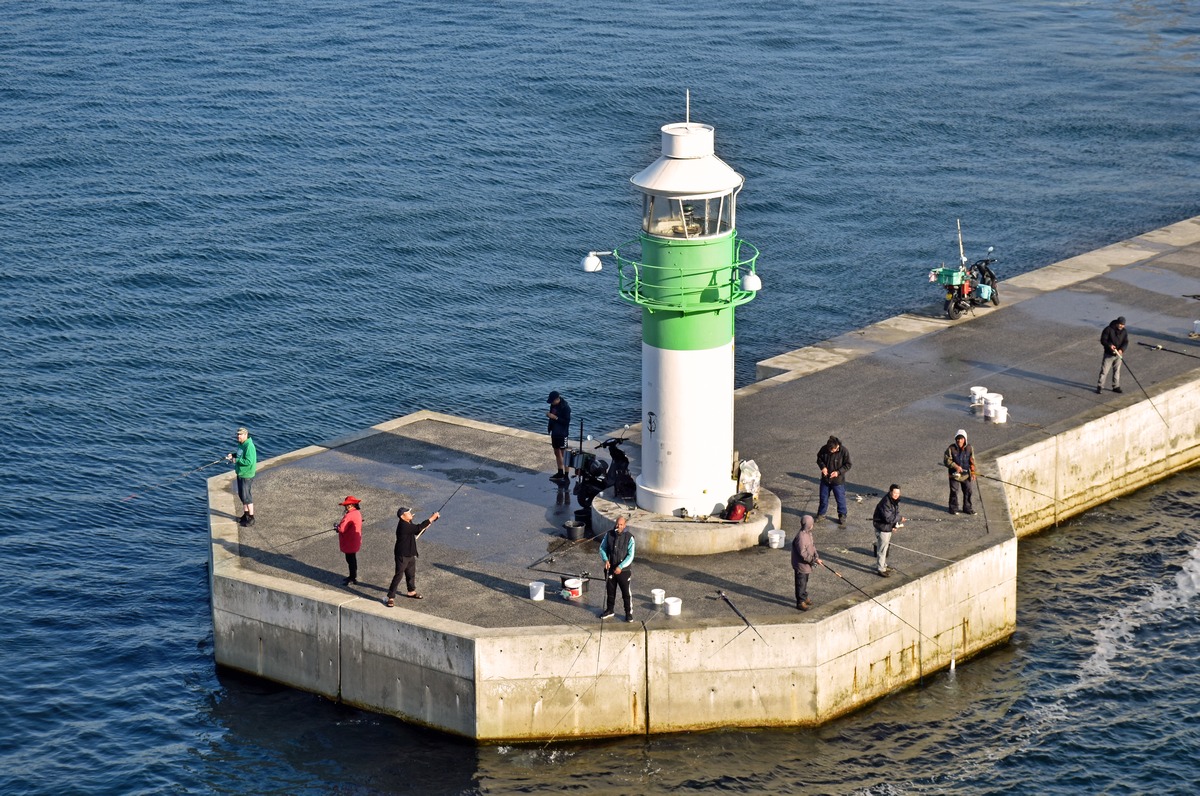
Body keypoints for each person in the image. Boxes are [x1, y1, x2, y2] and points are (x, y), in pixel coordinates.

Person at [386, 506, 440, 606]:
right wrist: (431, 518)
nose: (410, 513)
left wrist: (428, 524)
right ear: (402, 516)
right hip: (402, 554)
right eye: (408, 513)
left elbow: (418, 531)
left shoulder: (408, 523)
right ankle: (391, 597)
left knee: (411, 574)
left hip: (410, 553)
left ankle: (411, 591)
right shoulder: (403, 525)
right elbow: (418, 527)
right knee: (398, 575)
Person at [599, 516, 636, 622]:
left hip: (623, 571)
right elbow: (602, 548)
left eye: (621, 525)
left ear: (624, 526)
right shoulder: (609, 534)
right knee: (610, 591)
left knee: (626, 593)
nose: (618, 526)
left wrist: (621, 566)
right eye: (617, 524)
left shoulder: (630, 538)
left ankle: (628, 613)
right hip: (610, 569)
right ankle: (610, 610)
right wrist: (605, 560)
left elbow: (631, 555)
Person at [816, 435, 852, 525]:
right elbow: (819, 459)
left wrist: (838, 472)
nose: (831, 451)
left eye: (833, 450)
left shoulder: (844, 451)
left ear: (837, 447)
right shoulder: (824, 449)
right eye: (830, 450)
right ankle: (821, 514)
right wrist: (823, 467)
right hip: (826, 479)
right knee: (823, 498)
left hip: (838, 481)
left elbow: (848, 465)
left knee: (840, 499)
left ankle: (842, 515)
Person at [790, 515, 822, 611]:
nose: (812, 526)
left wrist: (816, 556)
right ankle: (800, 602)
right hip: (801, 565)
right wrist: (814, 560)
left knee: (805, 582)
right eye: (811, 524)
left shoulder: (809, 533)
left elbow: (812, 545)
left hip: (807, 565)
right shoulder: (800, 537)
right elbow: (802, 553)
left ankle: (804, 596)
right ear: (808, 525)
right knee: (800, 583)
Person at [226, 427, 257, 526]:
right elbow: (240, 455)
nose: (238, 436)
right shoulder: (241, 444)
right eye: (237, 434)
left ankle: (251, 518)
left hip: (246, 474)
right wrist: (233, 455)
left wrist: (236, 460)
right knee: (242, 495)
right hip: (240, 473)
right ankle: (246, 514)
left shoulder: (249, 446)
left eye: (240, 434)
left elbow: (248, 461)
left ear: (245, 435)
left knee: (247, 496)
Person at [872, 484, 905, 577]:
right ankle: (881, 568)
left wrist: (894, 525)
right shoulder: (886, 502)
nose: (896, 495)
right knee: (882, 549)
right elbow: (888, 518)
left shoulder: (893, 500)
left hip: (886, 527)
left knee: (885, 547)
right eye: (894, 493)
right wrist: (899, 519)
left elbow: (894, 514)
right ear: (890, 492)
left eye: (898, 493)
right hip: (882, 528)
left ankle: (883, 565)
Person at [943, 429, 977, 515]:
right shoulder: (951, 448)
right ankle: (953, 508)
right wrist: (955, 466)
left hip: (966, 475)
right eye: (958, 438)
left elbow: (972, 461)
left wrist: (973, 472)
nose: (959, 440)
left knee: (968, 491)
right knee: (954, 491)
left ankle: (967, 508)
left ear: (965, 439)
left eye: (961, 438)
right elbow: (946, 460)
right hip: (954, 475)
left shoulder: (970, 448)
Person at [1096, 316, 1128, 394]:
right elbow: (1103, 340)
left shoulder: (1124, 331)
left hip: (1118, 355)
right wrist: (1110, 346)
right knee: (1104, 371)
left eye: (1123, 325)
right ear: (1117, 323)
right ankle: (1100, 386)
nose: (1121, 326)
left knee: (1117, 371)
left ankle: (1116, 386)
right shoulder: (1108, 329)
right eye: (1120, 324)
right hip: (1109, 354)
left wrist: (1121, 350)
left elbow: (1125, 342)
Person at [336, 496, 363, 586]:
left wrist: (336, 527)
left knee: (350, 560)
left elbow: (342, 529)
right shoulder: (357, 513)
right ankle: (353, 576)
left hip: (349, 541)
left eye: (347, 505)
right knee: (353, 559)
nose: (346, 507)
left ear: (351, 505)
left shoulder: (349, 515)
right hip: (355, 540)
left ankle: (352, 577)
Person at [546, 391, 572, 483]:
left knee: (564, 454)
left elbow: (566, 422)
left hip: (562, 433)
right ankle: (560, 472)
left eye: (552, 401)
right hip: (555, 432)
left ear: (558, 399)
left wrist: (554, 417)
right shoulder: (553, 405)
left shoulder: (566, 408)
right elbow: (552, 416)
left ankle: (566, 474)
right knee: (557, 452)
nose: (551, 403)